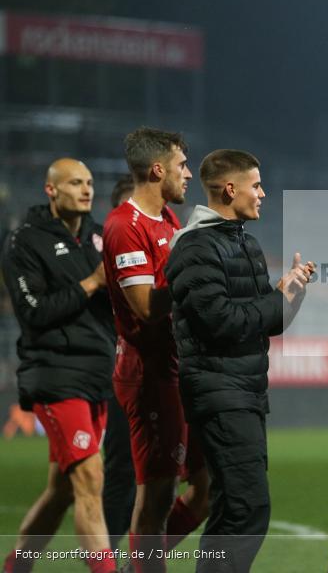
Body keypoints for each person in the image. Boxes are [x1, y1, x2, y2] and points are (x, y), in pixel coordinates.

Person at [165, 149, 312, 572]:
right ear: (231, 189)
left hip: (244, 390)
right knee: (248, 509)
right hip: (219, 391)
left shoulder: (243, 241)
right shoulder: (195, 247)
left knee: (234, 507)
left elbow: (267, 322)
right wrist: (275, 300)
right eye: (256, 185)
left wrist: (291, 296)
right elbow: (222, 322)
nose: (263, 194)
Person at [1, 159, 117, 573]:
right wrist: (91, 283)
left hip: (95, 375)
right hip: (54, 373)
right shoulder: (25, 241)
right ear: (51, 190)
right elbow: (33, 312)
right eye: (74, 183)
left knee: (62, 491)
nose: (86, 190)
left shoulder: (102, 238)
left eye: (88, 182)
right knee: (89, 478)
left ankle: (16, 566)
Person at [102, 127, 209, 572]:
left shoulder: (168, 219)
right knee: (157, 494)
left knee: (207, 490)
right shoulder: (123, 227)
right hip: (149, 375)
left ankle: (137, 566)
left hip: (180, 367)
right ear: (158, 169)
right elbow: (146, 305)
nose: (189, 174)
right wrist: (191, 271)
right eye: (182, 165)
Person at [103, 174, 137, 550]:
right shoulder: (111, 246)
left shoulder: (167, 235)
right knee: (121, 470)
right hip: (122, 373)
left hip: (168, 374)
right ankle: (110, 554)